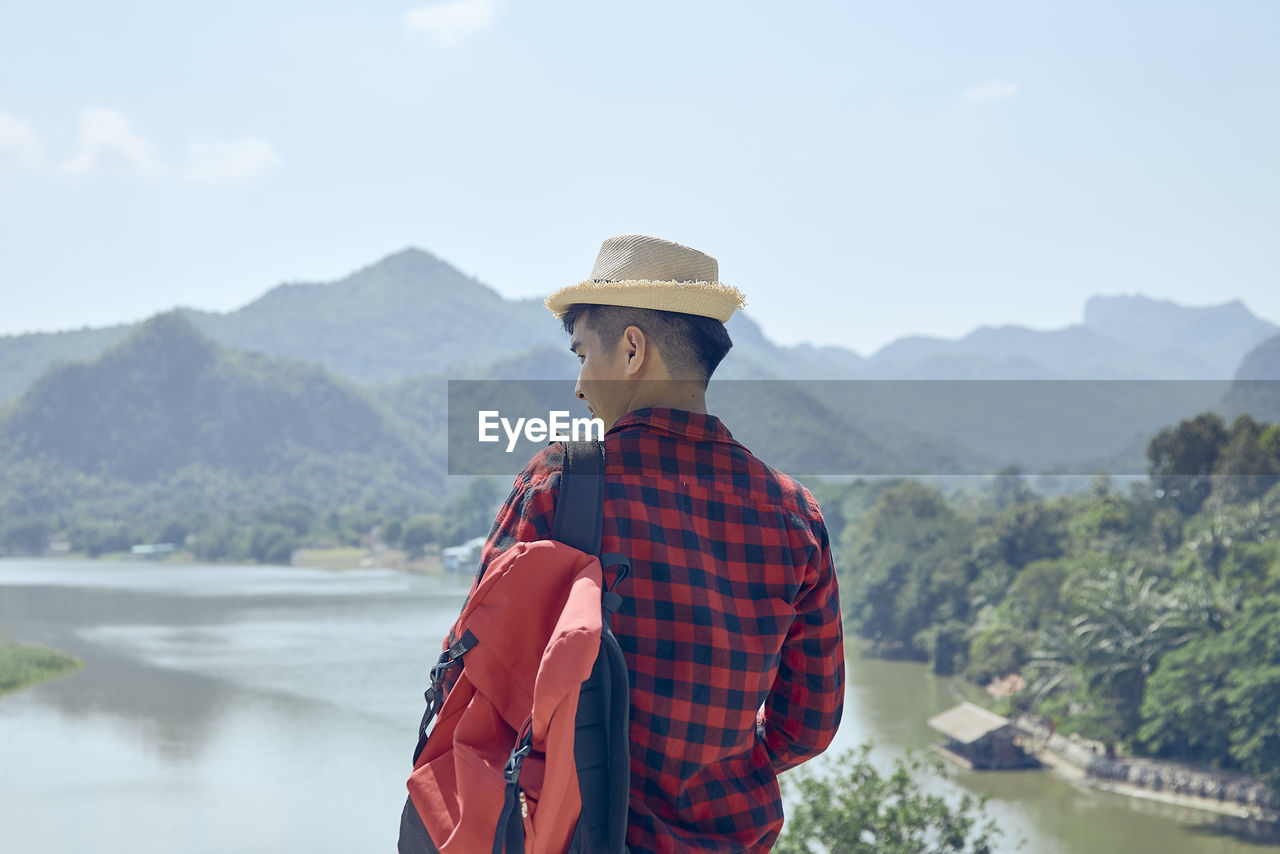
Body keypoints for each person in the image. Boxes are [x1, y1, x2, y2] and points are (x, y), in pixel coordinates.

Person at [463, 234, 844, 852]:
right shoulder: (795, 514)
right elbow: (808, 727)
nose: (580, 385)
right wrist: (715, 769)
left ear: (633, 349)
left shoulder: (561, 484)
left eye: (583, 353)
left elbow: (476, 680)